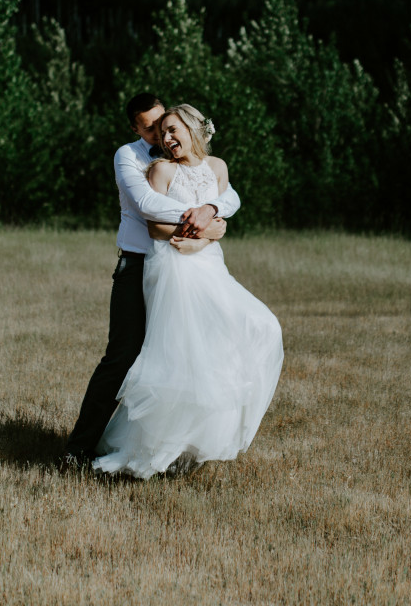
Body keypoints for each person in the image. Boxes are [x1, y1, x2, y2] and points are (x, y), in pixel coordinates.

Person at [92, 104, 284, 479]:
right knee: (179, 355)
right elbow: (152, 224)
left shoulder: (218, 168)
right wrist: (201, 233)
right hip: (174, 270)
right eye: (161, 132)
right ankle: (152, 449)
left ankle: (195, 443)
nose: (166, 139)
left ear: (195, 128)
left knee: (256, 331)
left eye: (172, 130)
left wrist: (213, 226)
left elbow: (225, 210)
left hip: (212, 267)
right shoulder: (160, 169)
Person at [61, 94, 240, 468]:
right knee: (122, 359)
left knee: (185, 357)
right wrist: (206, 218)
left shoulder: (189, 154)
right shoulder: (128, 156)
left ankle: (173, 450)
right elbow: (147, 205)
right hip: (139, 265)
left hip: (186, 270)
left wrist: (215, 208)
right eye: (150, 127)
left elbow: (229, 193)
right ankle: (77, 450)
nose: (159, 133)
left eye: (164, 124)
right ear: (135, 128)